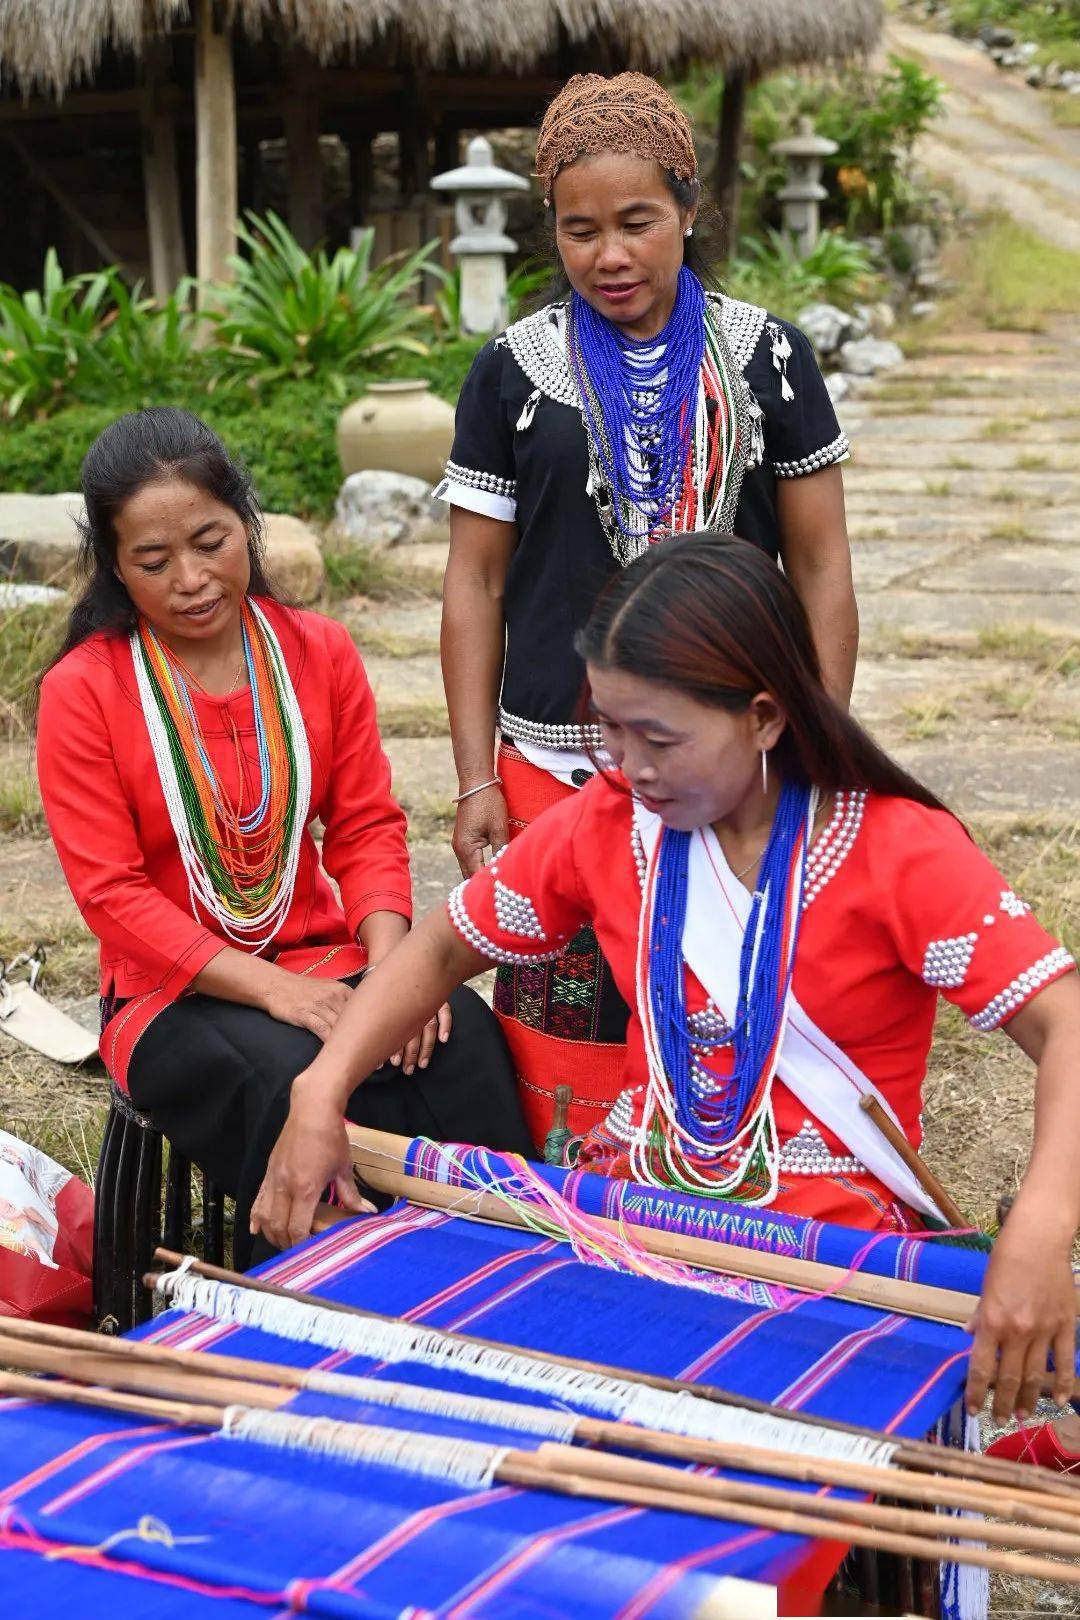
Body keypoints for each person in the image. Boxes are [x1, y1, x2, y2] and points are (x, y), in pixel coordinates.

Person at [255, 534, 1078, 1427]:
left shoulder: (897, 852)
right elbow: (442, 950)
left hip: (827, 1253)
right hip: (633, 1216)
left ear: (765, 718)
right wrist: (318, 1090)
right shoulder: (608, 824)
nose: (630, 765)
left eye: (660, 737)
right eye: (609, 729)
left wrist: (1038, 1231)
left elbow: (1064, 1025)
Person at [438, 72, 858, 1152]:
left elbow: (819, 566)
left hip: (728, 762)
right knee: (560, 1048)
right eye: (580, 231)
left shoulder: (768, 360)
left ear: (688, 209)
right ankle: (571, 1264)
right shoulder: (511, 375)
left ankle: (712, 1243)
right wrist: (477, 773)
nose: (609, 255)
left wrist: (808, 743)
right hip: (554, 766)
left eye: (637, 222)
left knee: (712, 1024)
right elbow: (476, 584)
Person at [37, 408, 532, 1267]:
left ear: (247, 523)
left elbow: (368, 825)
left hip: (332, 959)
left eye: (210, 541)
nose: (190, 579)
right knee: (277, 1081)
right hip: (172, 995)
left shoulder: (317, 651)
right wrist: (277, 993)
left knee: (463, 1044)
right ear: (115, 568)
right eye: (152, 562)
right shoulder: (85, 689)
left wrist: (390, 972)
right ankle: (349, 1295)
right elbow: (112, 895)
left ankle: (503, 1284)